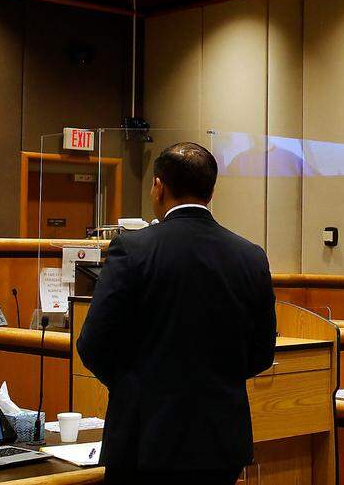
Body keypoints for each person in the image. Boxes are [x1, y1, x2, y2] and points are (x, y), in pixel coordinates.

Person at [76, 142, 277, 485]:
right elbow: (261, 354)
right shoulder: (250, 256)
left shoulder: (132, 248)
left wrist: (134, 387)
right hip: (220, 442)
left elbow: (92, 344)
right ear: (211, 192)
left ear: (158, 186)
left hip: (146, 441)